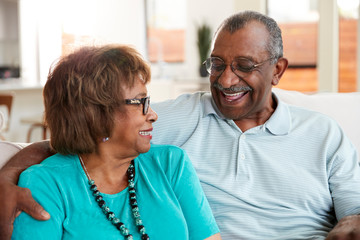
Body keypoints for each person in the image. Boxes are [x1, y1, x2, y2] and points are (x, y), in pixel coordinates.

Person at [0, 10, 359, 240]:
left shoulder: (324, 133)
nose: (226, 79)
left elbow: (354, 210)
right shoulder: (184, 117)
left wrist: (349, 227)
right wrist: (6, 176)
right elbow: (94, 137)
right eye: (217, 64)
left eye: (244, 65)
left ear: (277, 69)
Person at [9, 45, 221, 240]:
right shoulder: (45, 184)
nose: (153, 115)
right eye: (141, 102)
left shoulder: (171, 164)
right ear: (97, 114)